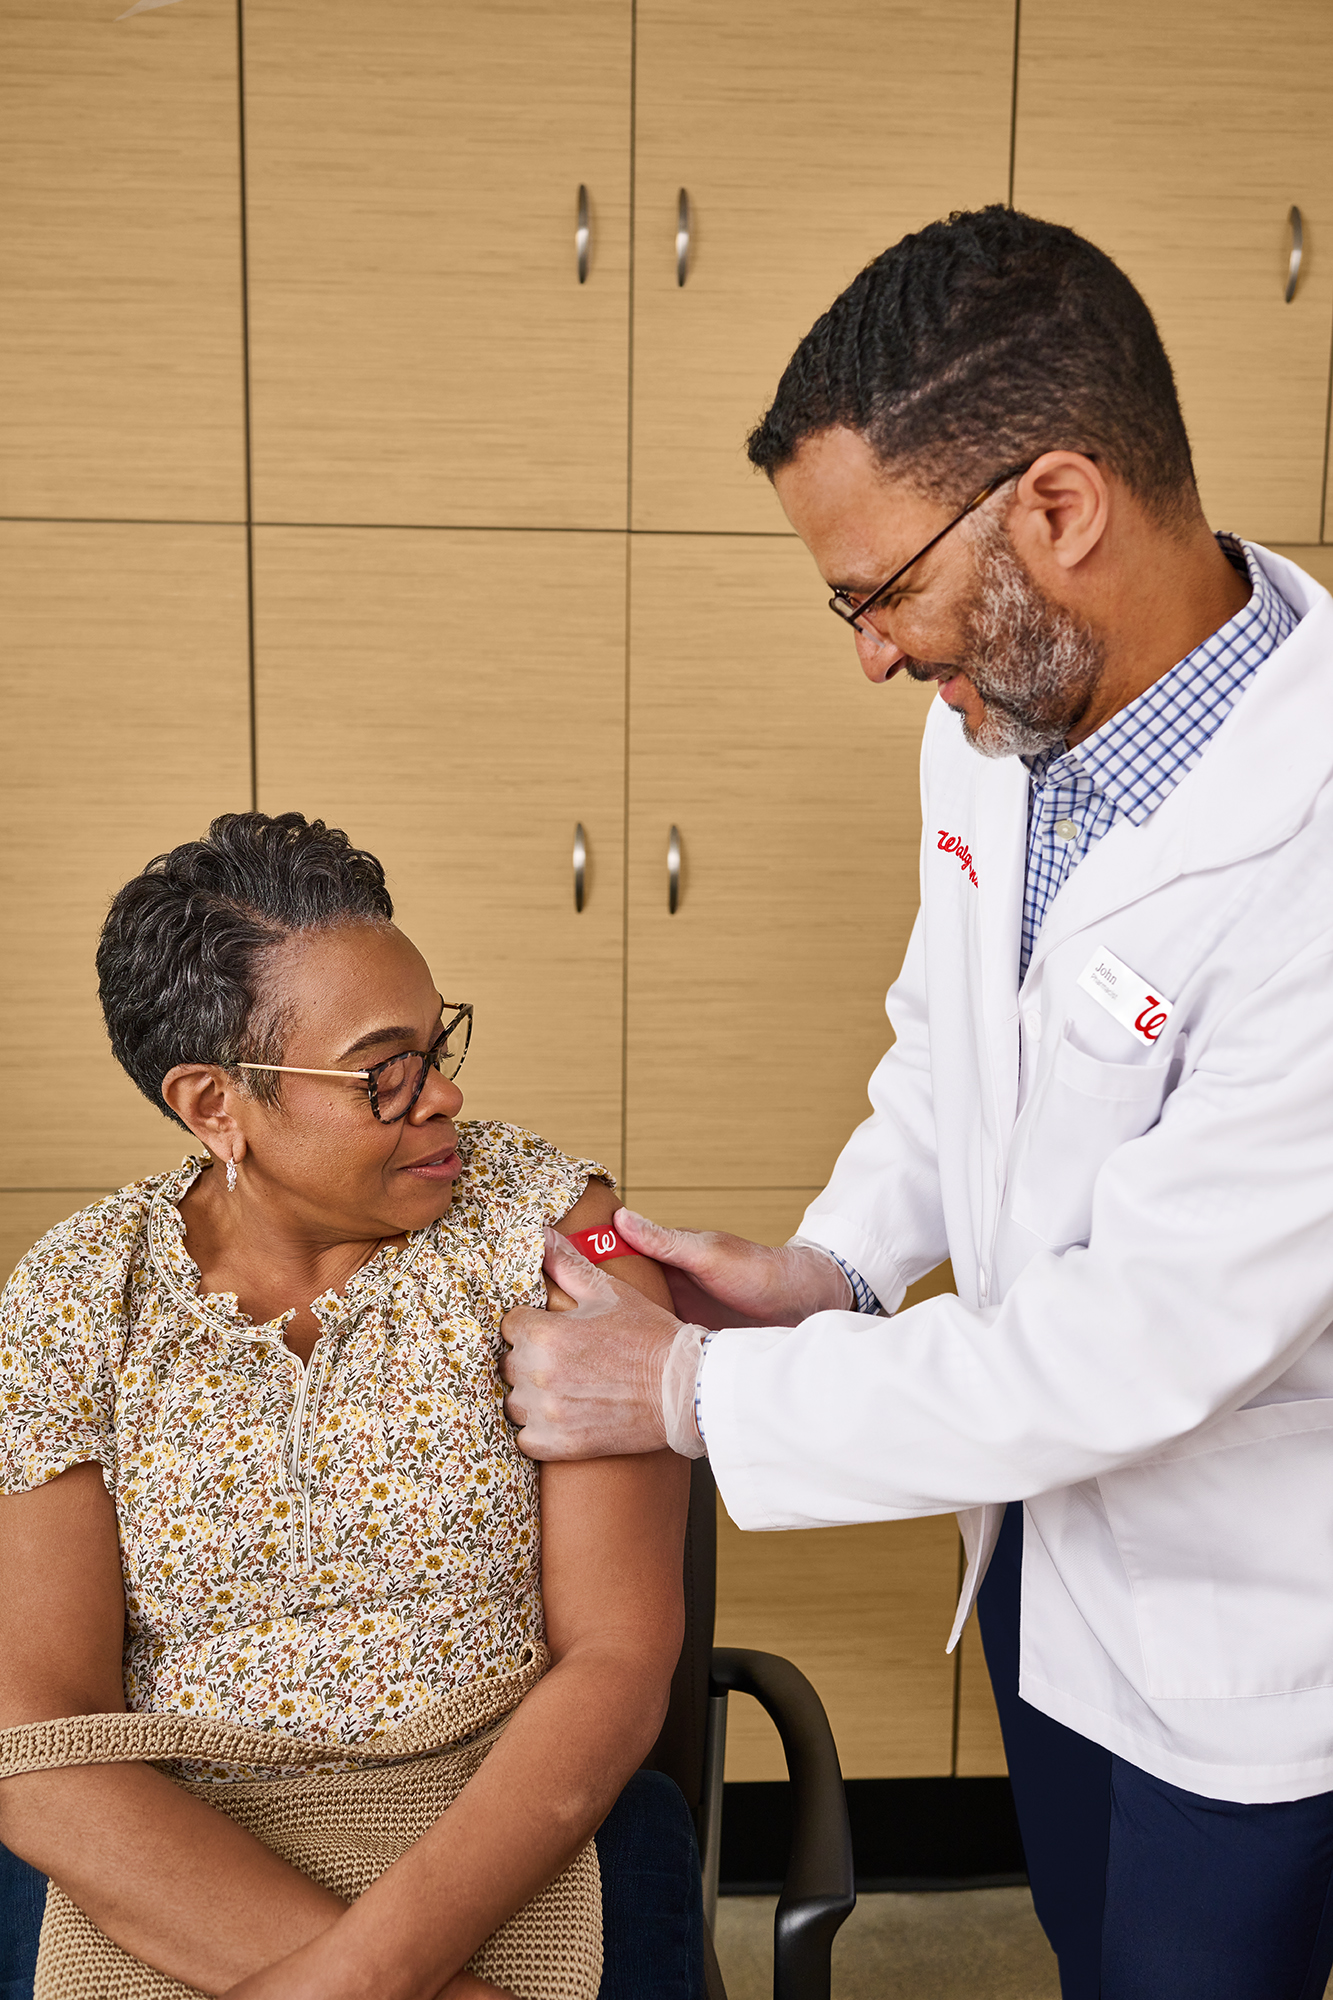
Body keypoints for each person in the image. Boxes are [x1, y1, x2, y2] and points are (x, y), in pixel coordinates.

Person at [500, 206, 1333, 2000]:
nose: (872, 655)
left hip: (1246, 1630)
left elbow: (1137, 1345)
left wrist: (692, 1391)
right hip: (1037, 1562)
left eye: (877, 592)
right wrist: (842, 1267)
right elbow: (953, 1053)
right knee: (1070, 1945)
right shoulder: (999, 720)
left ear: (1054, 508)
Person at [0, 811, 704, 2000]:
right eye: (386, 1070)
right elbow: (40, 1728)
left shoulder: (554, 1239)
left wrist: (363, 1975)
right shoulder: (76, 1293)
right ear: (214, 1104)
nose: (445, 1094)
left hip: (501, 1813)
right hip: (177, 1835)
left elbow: (621, 1655)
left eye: (439, 1042)